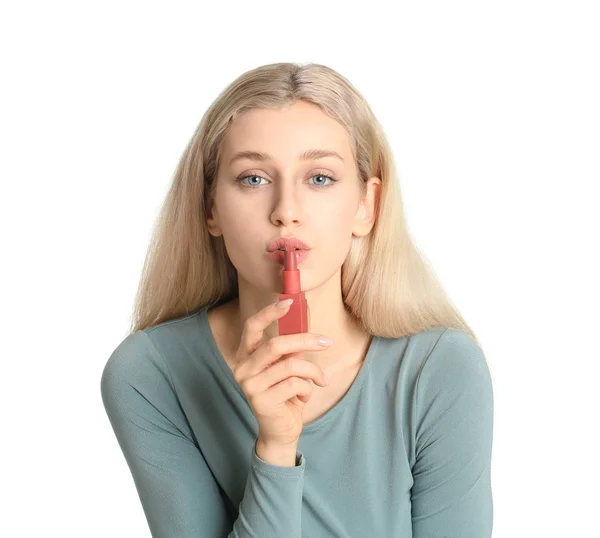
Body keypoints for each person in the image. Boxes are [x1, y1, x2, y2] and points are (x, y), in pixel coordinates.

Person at [100, 62, 494, 537]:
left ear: (366, 205)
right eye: (253, 179)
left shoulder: (441, 370)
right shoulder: (150, 375)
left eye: (320, 178)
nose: (286, 212)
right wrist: (276, 447)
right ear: (210, 208)